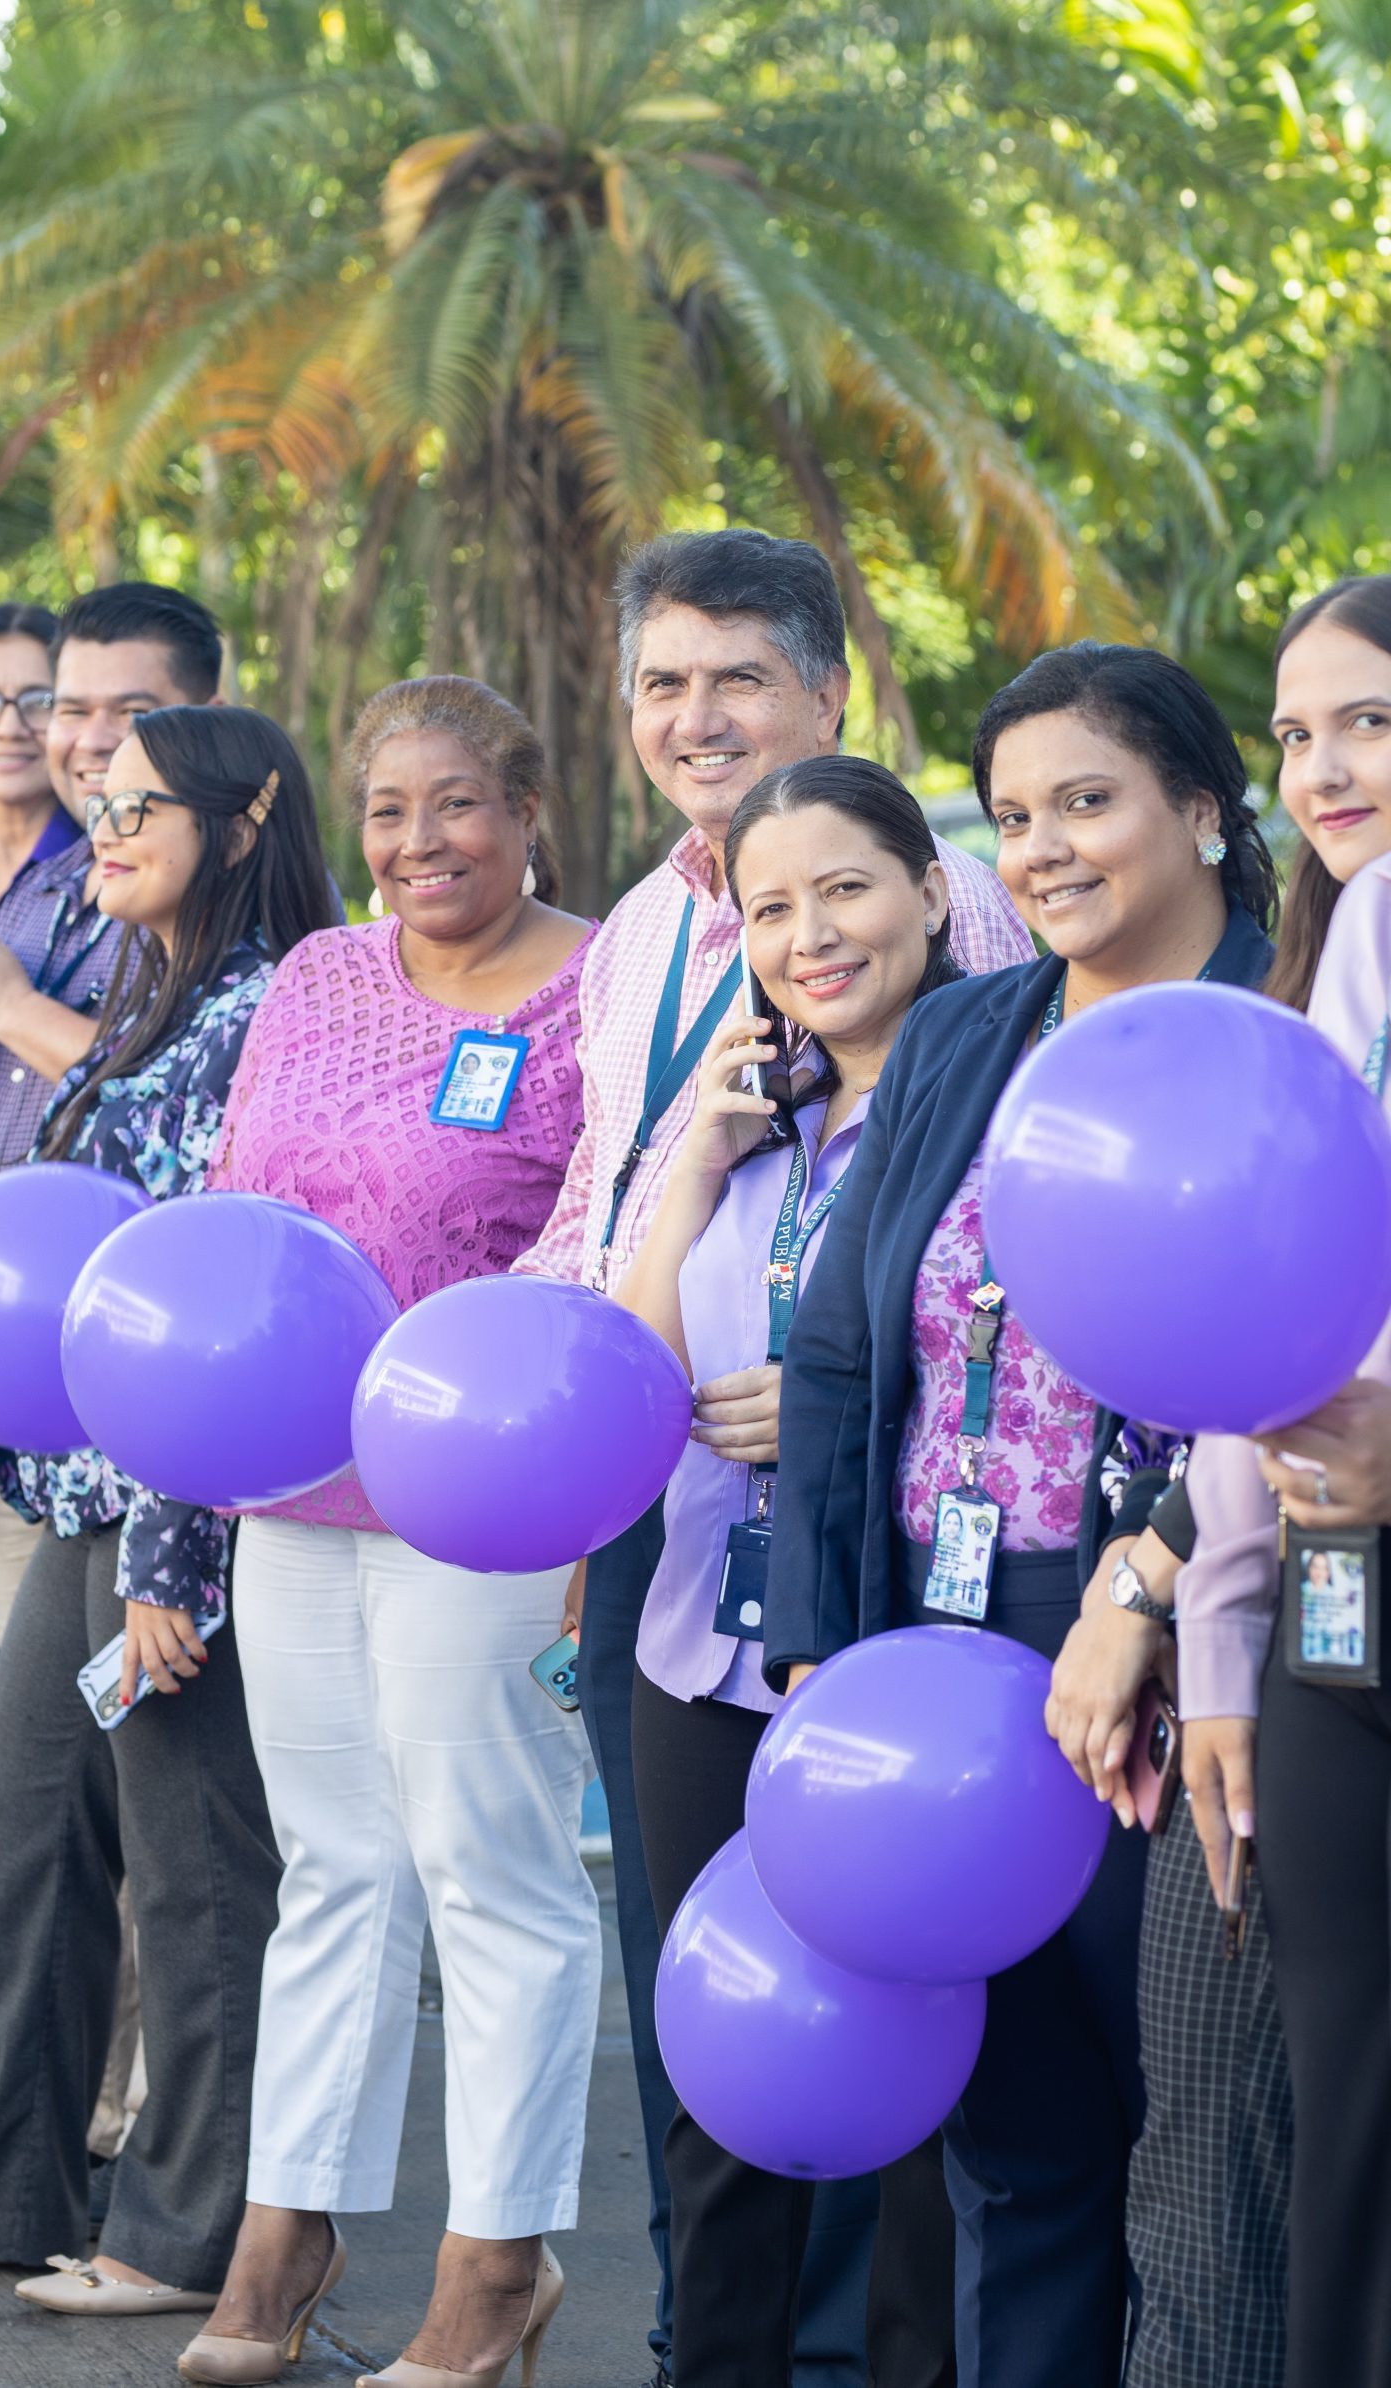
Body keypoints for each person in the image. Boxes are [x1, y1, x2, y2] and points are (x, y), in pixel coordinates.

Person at [516, 527, 1030, 2384]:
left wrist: (827, 1394)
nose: (695, 713)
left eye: (739, 676)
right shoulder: (661, 931)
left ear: (830, 687)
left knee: (890, 2021)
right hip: (678, 1566)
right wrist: (692, 1187)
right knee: (702, 2014)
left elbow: (991, 1295)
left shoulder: (976, 966)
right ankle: (704, 2347)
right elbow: (605, 1231)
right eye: (664, 680)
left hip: (894, 1593)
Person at [767, 644, 1278, 2388]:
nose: (1047, 847)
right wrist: (832, 1647)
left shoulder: (1286, 1027)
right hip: (944, 1639)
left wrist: (1143, 1581)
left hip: (1172, 1633)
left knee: (1197, 2149)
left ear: (1200, 809)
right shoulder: (973, 1029)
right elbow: (842, 1345)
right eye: (1015, 817)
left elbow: (1275, 1355)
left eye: (1090, 800)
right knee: (1014, 2145)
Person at [0, 703, 340, 2323]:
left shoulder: (266, 1006)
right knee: (25, 1819)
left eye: (140, 808)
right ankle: (4, 2183)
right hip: (79, 1481)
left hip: (186, 1500)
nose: (102, 830)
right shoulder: (139, 990)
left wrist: (178, 1555)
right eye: (94, 805)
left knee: (194, 1869)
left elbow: (209, 1281)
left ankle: (188, 2229)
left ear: (244, 819)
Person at [180, 678, 595, 2388]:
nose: (421, 840)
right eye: (389, 807)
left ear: (529, 805)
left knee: (485, 1864)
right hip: (295, 1479)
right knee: (333, 1862)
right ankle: (294, 2214)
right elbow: (235, 1208)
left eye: (459, 804)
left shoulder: (602, 980)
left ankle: (500, 2255)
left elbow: (611, 1225)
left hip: (488, 1479)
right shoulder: (318, 973)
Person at [613, 757, 964, 2388]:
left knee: (916, 2091)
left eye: (848, 887)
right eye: (771, 906)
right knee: (717, 2062)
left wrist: (829, 1409)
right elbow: (622, 1378)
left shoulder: (983, 1108)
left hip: (902, 1657)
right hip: (706, 1648)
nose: (812, 932)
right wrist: (699, 1154)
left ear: (932, 893)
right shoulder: (759, 1121)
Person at [1153, 576, 1391, 2388]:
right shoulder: (1321, 968)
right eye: (1298, 731)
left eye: (1369, 719)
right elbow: (1259, 1352)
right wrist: (1220, 1652)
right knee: (1344, 2126)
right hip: (1326, 1615)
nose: (1323, 767)